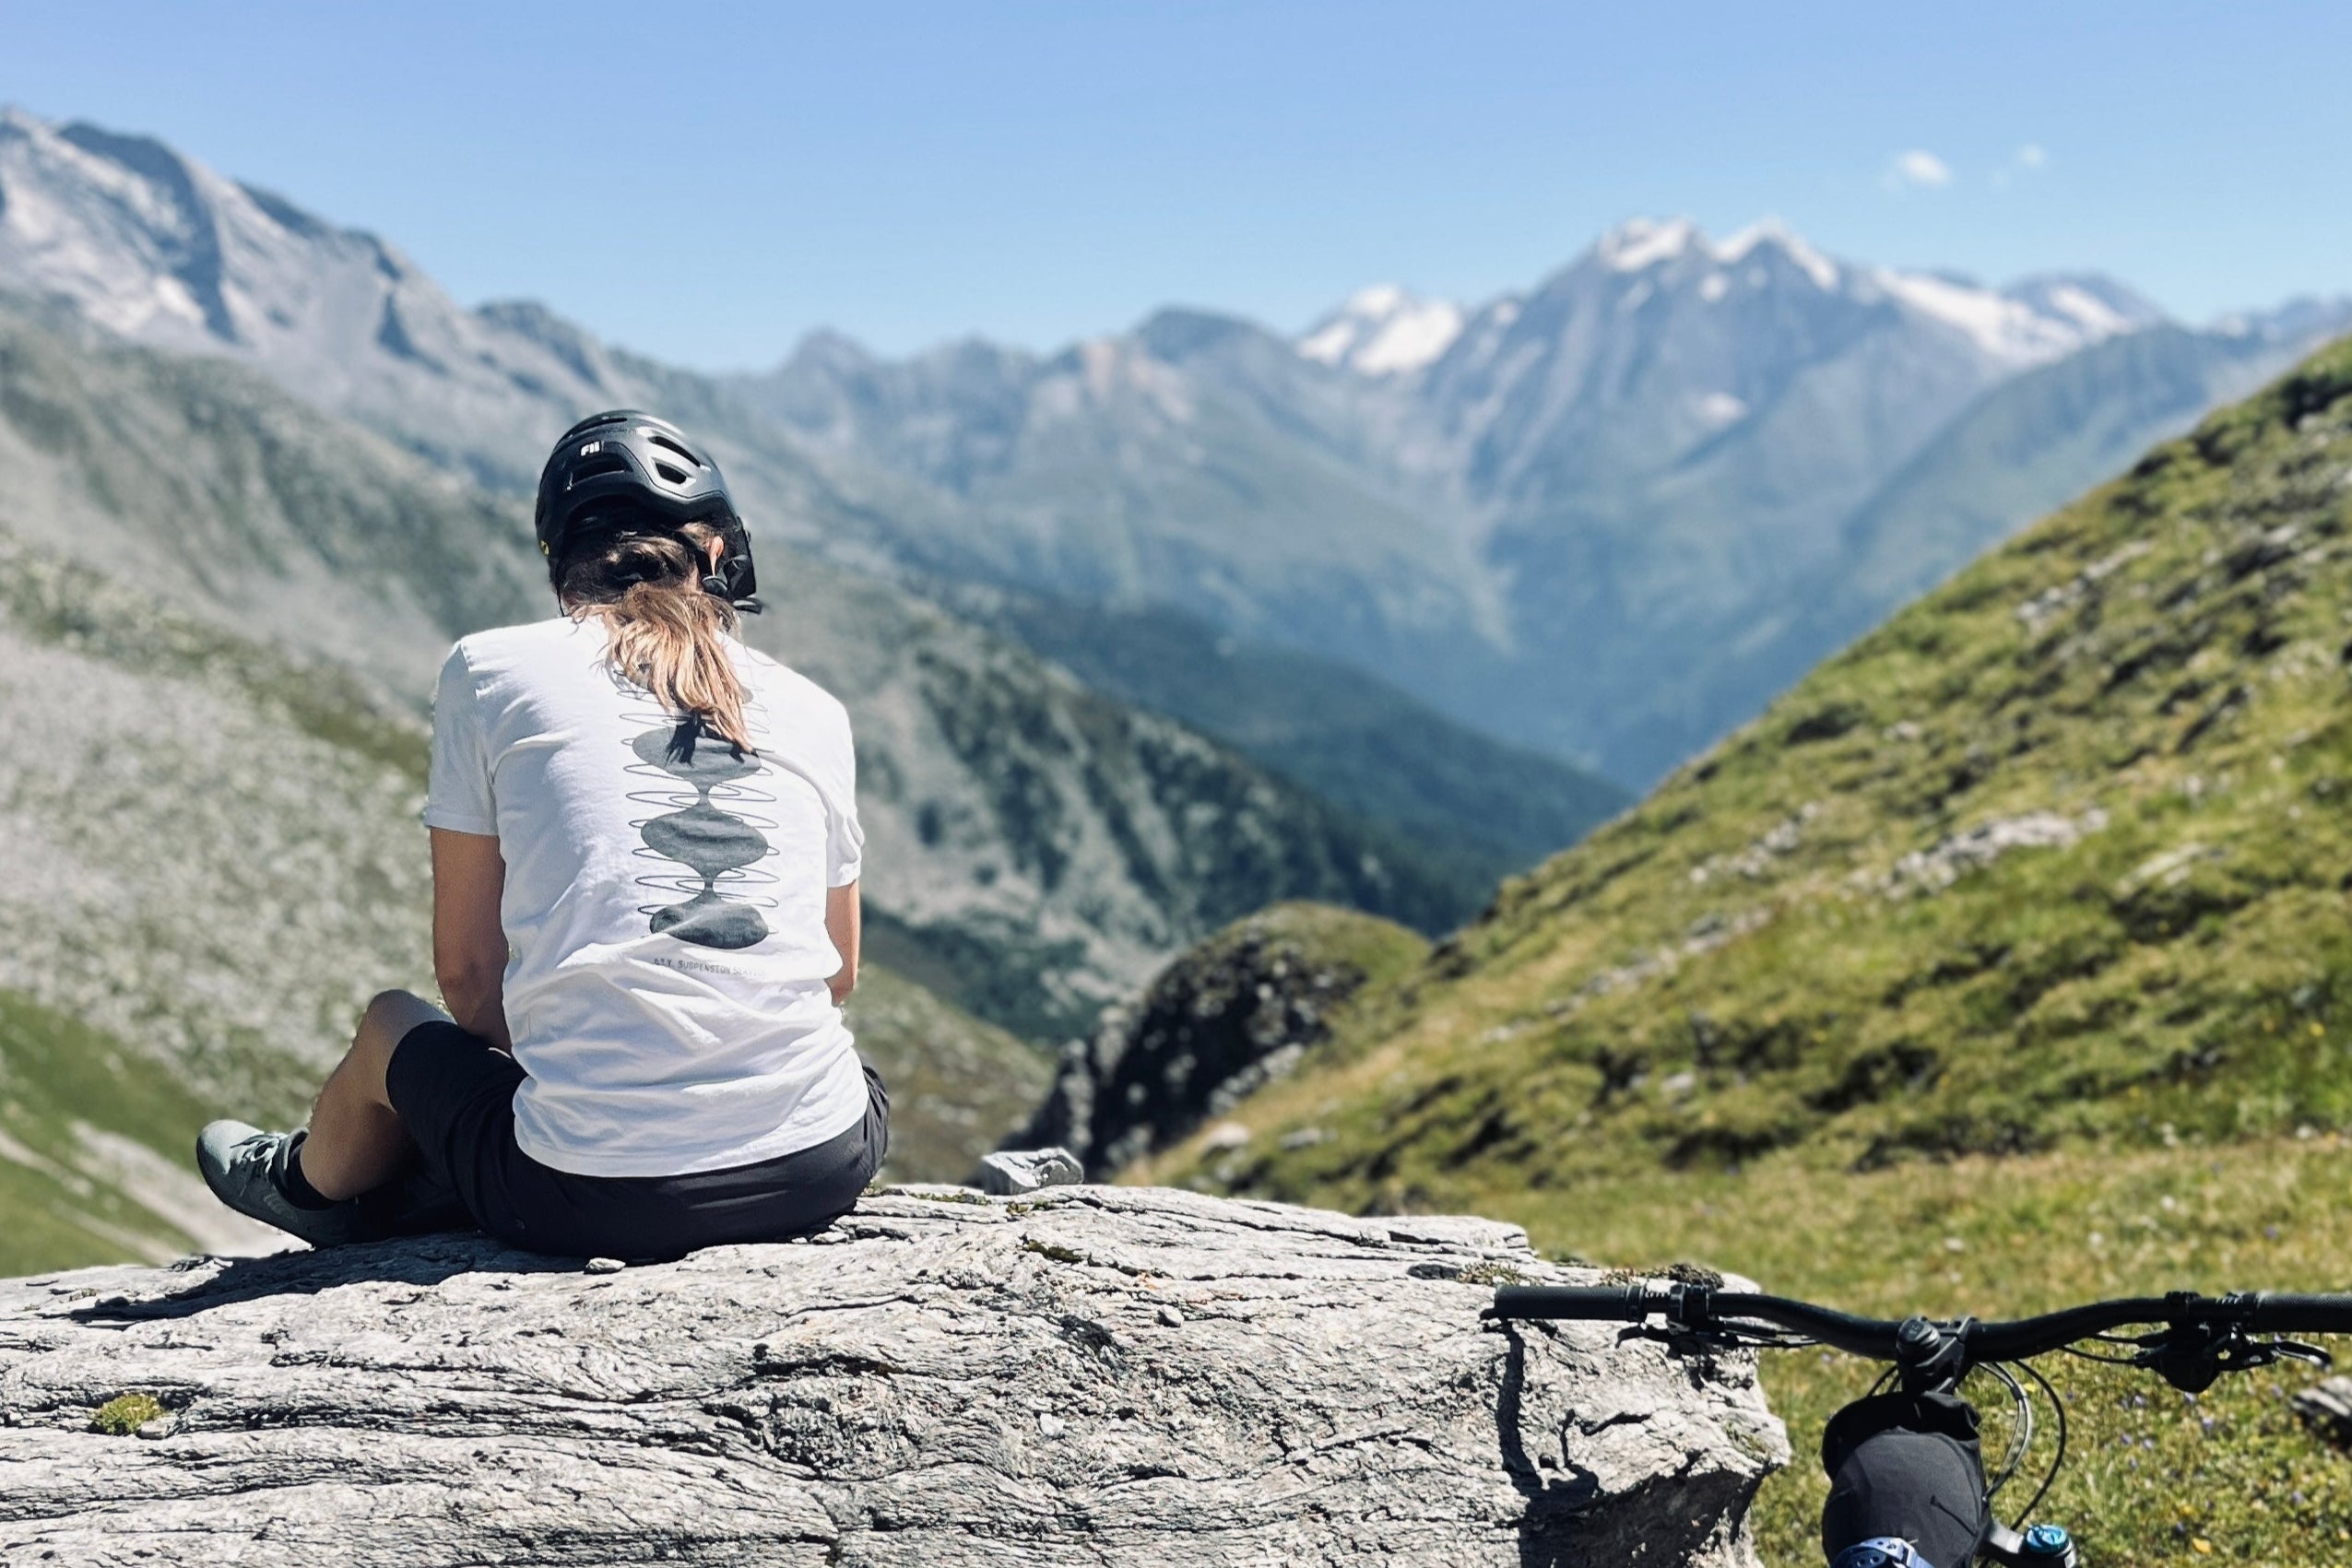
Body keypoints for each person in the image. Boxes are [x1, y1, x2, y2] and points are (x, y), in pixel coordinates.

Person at [196, 410, 886, 1258]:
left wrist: (587, 1062)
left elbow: (469, 976)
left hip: (583, 1197)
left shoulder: (489, 671)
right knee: (828, 1064)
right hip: (820, 1165)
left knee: (389, 1026)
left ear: (562, 569)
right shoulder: (815, 707)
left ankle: (312, 1189)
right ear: (717, 556)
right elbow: (837, 971)